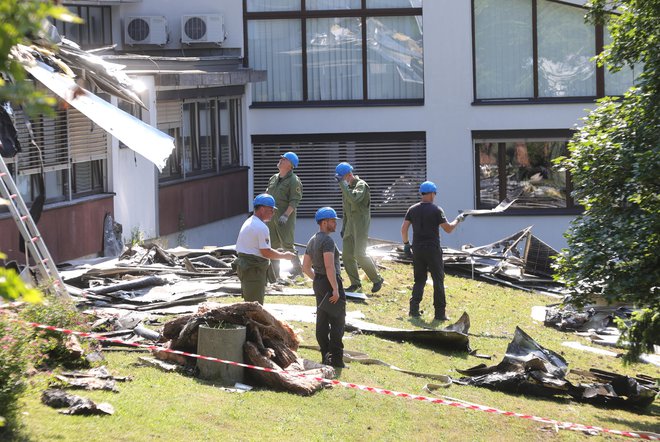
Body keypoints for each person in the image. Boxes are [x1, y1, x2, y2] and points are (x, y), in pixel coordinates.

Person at [400, 181, 467, 321]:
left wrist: (406, 244)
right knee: (438, 280)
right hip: (432, 249)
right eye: (435, 193)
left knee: (419, 280)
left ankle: (413, 310)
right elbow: (448, 229)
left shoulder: (412, 209)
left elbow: (404, 229)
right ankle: (440, 314)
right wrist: (458, 220)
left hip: (417, 249)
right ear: (431, 194)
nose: (435, 196)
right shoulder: (437, 210)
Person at [302, 207, 346, 368]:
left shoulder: (312, 240)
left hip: (319, 283)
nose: (335, 223)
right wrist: (334, 288)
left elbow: (305, 267)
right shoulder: (327, 241)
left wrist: (318, 280)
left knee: (322, 320)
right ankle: (337, 360)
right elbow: (330, 266)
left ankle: (325, 356)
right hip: (330, 283)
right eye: (333, 221)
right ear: (324, 222)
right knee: (337, 321)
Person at [235, 193, 297, 305]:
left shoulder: (250, 221)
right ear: (262, 209)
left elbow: (259, 248)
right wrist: (284, 256)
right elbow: (266, 252)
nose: (273, 213)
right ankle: (253, 322)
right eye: (271, 210)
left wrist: (277, 252)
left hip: (248, 268)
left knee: (251, 301)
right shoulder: (261, 227)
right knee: (254, 304)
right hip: (253, 269)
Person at [334, 162, 384, 293]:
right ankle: (355, 284)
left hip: (360, 224)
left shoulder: (361, 185)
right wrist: (344, 227)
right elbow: (346, 210)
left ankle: (377, 279)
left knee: (359, 254)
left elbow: (354, 199)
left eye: (342, 178)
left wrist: (343, 185)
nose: (341, 181)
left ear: (349, 175)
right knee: (346, 256)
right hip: (350, 225)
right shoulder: (347, 187)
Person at [266, 151, 303, 278]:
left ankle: (297, 270)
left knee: (287, 244)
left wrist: (286, 215)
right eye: (281, 158)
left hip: (284, 217)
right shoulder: (274, 178)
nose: (281, 160)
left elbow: (295, 200)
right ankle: (274, 273)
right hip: (270, 217)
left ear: (291, 165)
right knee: (273, 245)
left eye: (285, 159)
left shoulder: (293, 180)